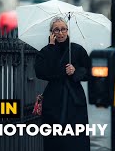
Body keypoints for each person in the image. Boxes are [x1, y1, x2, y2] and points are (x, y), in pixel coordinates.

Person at [34, 16, 91, 151]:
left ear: (67, 30)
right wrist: (51, 48)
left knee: (75, 136)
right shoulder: (46, 51)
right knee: (55, 137)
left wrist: (75, 71)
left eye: (63, 29)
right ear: (51, 33)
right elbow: (41, 72)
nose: (60, 33)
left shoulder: (77, 49)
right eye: (56, 30)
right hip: (53, 99)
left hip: (74, 98)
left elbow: (90, 72)